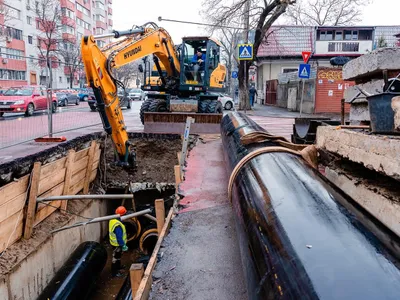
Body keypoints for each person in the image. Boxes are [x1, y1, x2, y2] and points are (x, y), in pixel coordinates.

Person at [109, 206, 128, 277]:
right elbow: (119, 237)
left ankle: (118, 267)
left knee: (118, 256)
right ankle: (114, 273)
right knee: (115, 258)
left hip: (114, 243)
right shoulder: (117, 225)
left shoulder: (113, 220)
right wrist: (123, 245)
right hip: (117, 244)